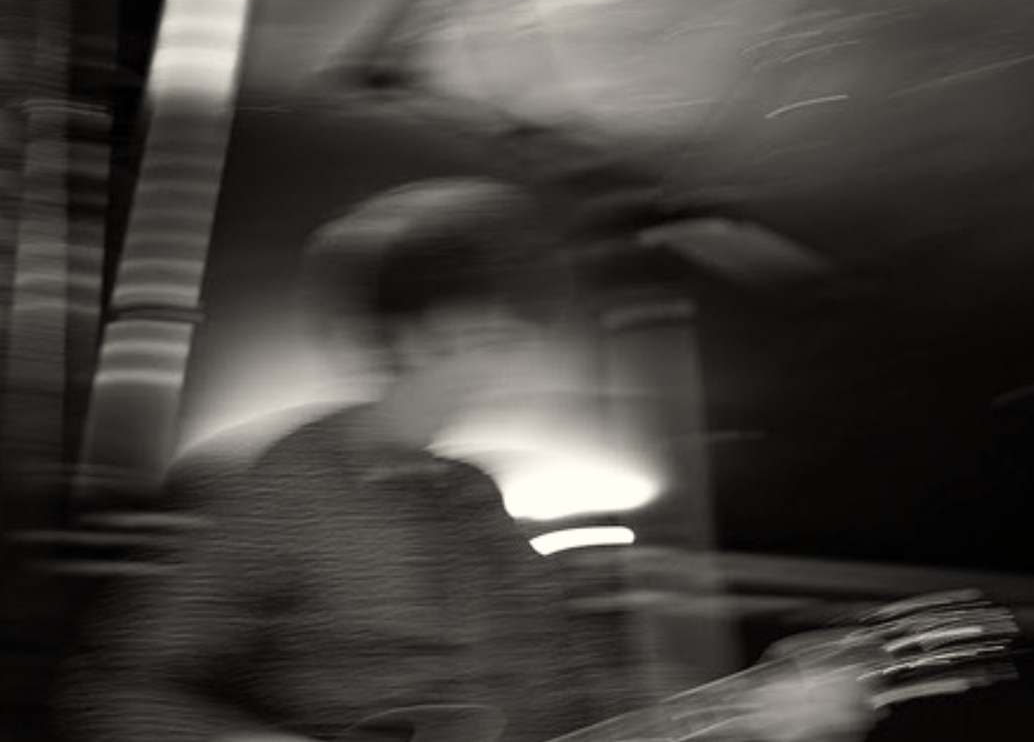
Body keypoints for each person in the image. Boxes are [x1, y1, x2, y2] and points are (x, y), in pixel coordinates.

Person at [57, 178, 875, 742]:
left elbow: (572, 698)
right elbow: (114, 693)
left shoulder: (474, 497)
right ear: (409, 335)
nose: (502, 364)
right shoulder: (288, 483)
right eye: (483, 337)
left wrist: (744, 715)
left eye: (510, 339)